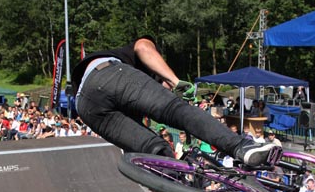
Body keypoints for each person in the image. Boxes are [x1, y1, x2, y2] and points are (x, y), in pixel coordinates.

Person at [71, 37, 276, 167]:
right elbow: (143, 47)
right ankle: (242, 147)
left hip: (86, 107)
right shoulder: (133, 55)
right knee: (176, 110)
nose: (166, 90)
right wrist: (176, 82)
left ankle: (176, 189)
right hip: (108, 73)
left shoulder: (131, 97)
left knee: (154, 147)